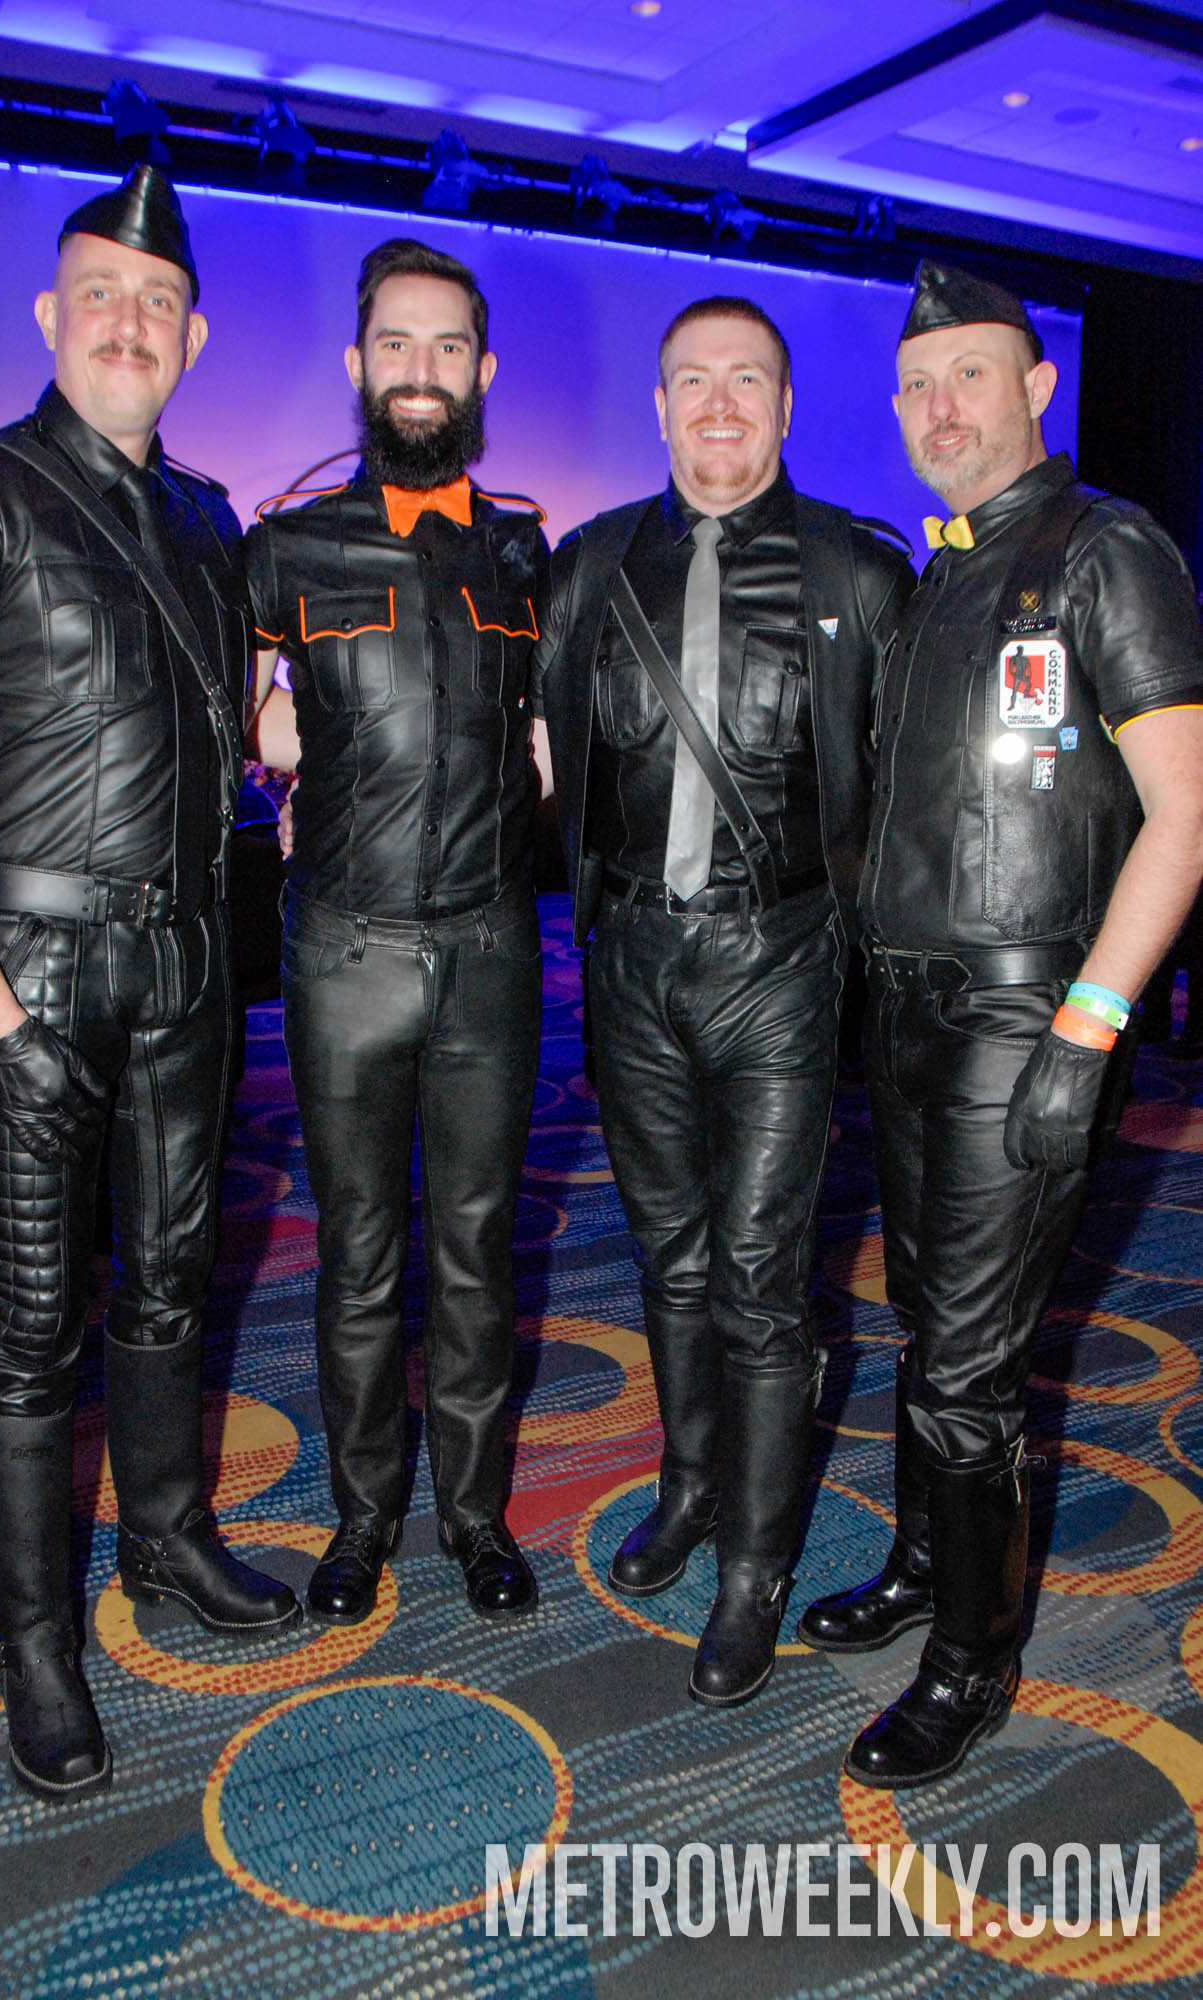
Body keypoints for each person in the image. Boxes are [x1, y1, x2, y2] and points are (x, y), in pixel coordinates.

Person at [0, 166, 300, 1805]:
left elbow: (251, 730)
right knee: (33, 1330)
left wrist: (418, 702)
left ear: (192, 337)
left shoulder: (208, 519)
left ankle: (168, 1539)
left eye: (159, 300)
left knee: (175, 1286)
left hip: (190, 966)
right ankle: (34, 1647)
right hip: (33, 973)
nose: (131, 321)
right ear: (53, 317)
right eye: (102, 294)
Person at [799, 261, 1203, 1788]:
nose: (939, 406)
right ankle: (923, 1566)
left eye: (969, 374)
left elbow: (1188, 813)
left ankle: (970, 1664)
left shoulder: (1107, 551)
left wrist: (1089, 1026)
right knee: (928, 1324)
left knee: (969, 1364)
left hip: (1028, 1013)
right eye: (917, 385)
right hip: (910, 1016)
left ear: (1039, 386)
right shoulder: (937, 579)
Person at [533, 296, 914, 1706]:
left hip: (782, 962)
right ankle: (692, 1482)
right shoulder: (589, 565)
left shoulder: (859, 571)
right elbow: (529, 744)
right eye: (691, 380)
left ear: (786, 407)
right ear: (658, 405)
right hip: (628, 961)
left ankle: (755, 1570)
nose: (717, 404)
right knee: (670, 1256)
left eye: (745, 380)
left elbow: (913, 782)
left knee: (760, 1277)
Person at [246, 238, 549, 1625]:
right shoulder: (285, 547)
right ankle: (362, 1515)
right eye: (395, 345)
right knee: (360, 1257)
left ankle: (474, 1516)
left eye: (446, 347)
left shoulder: (524, 550)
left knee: (478, 1256)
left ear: (481, 372)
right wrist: (300, 767)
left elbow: (546, 733)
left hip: (492, 956)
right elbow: (232, 710)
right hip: (344, 956)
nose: (420, 371)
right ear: (358, 363)